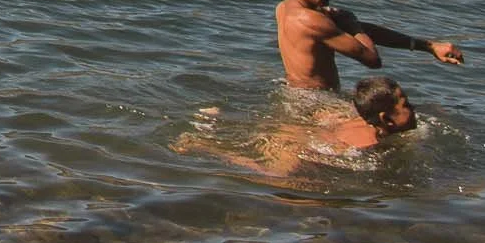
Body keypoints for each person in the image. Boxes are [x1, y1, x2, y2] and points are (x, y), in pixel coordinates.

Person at [274, 0, 464, 91]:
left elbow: (364, 32)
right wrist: (352, 22)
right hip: (315, 103)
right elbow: (372, 59)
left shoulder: (285, 8)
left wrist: (428, 46)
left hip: (296, 94)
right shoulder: (312, 20)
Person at [176, 75, 422, 178]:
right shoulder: (370, 145)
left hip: (301, 128)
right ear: (386, 119)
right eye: (407, 104)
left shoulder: (361, 119)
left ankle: (217, 118)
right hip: (292, 145)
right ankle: (203, 144)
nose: (413, 108)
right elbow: (333, 155)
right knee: (279, 178)